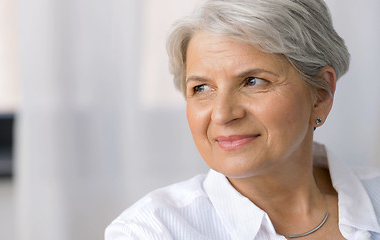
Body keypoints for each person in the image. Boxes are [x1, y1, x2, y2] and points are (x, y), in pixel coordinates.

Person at [105, 0, 380, 239]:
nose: (223, 114)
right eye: (201, 88)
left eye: (253, 81)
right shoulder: (150, 231)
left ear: (320, 94)